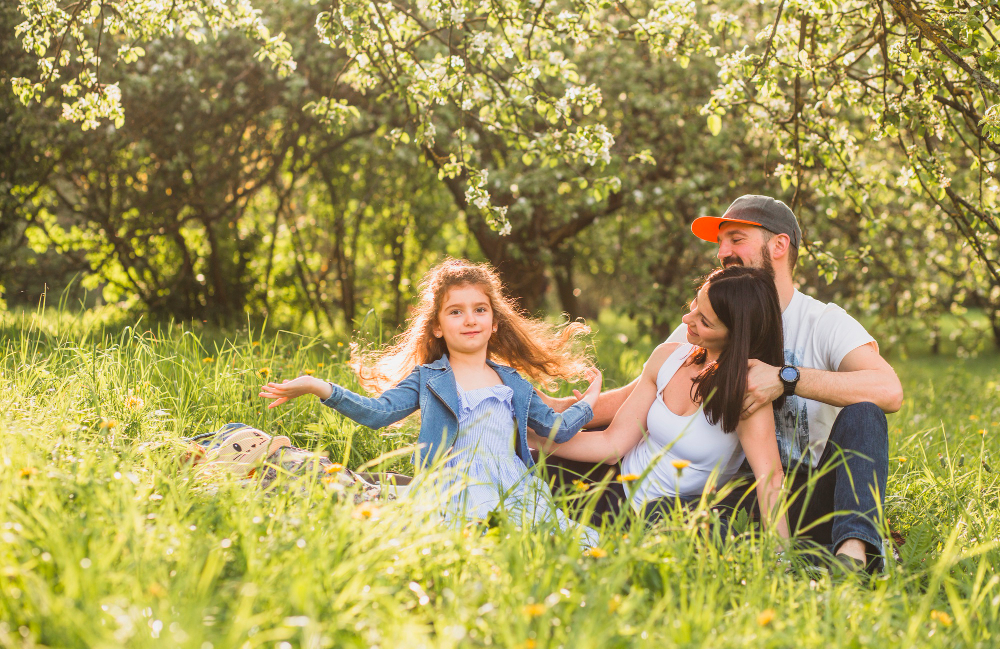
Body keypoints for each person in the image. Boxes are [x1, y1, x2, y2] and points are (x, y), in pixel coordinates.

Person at [544, 195, 903, 570]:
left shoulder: (823, 322)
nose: (722, 252)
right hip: (733, 492)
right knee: (649, 508)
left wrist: (785, 378)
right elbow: (645, 394)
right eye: (720, 242)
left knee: (865, 414)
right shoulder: (710, 315)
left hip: (807, 487)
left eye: (736, 239)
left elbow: (889, 391)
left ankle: (854, 552)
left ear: (779, 245)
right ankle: (799, 554)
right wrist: (560, 412)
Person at [257, 258, 604, 542]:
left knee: (561, 542)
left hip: (513, 484)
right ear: (437, 326)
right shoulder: (429, 378)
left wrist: (587, 404)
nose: (470, 319)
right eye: (455, 312)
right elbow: (379, 413)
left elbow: (556, 429)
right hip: (453, 486)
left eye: (480, 309)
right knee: (472, 542)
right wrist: (321, 387)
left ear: (495, 322)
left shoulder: (513, 382)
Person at [534, 266, 790, 540]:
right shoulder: (667, 358)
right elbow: (612, 444)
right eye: (695, 303)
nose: (687, 318)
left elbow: (770, 477)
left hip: (667, 515)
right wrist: (536, 438)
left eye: (704, 321)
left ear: (735, 335)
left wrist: (781, 555)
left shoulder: (746, 394)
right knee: (524, 462)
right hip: (616, 483)